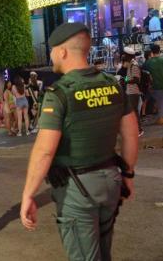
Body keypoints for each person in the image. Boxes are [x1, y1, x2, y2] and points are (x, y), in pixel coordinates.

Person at [20, 22, 138, 261]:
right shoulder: (112, 84)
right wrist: (127, 176)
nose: (51, 54)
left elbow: (44, 151)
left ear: (62, 51)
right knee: (103, 253)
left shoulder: (59, 93)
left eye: (52, 49)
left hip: (78, 190)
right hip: (111, 182)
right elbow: (131, 134)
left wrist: (28, 195)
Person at [123, 47, 144, 136]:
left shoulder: (134, 65)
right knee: (132, 112)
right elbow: (129, 76)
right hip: (130, 91)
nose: (123, 56)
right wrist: (125, 79)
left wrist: (126, 81)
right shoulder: (130, 64)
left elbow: (136, 80)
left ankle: (139, 130)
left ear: (129, 55)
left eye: (125, 54)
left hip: (133, 92)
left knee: (134, 112)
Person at [143, 44, 163, 124]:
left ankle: (161, 118)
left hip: (155, 86)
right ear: (160, 50)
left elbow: (143, 71)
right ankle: (160, 118)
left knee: (159, 102)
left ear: (151, 52)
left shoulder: (148, 62)